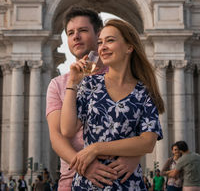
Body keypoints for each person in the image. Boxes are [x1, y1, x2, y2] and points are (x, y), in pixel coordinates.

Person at [60, 18, 164, 189]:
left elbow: (148, 142)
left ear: (129, 47)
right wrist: (73, 83)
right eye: (100, 42)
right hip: (88, 184)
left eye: (110, 40)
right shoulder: (90, 84)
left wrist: (96, 148)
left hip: (127, 184)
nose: (102, 47)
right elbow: (67, 129)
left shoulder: (145, 91)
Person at [46, 6, 142, 190]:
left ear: (99, 34)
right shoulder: (57, 84)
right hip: (72, 178)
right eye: (70, 32)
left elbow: (141, 128)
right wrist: (85, 166)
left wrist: (134, 156)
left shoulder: (124, 77)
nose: (76, 37)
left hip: (119, 178)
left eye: (83, 30)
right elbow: (57, 137)